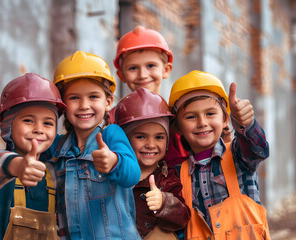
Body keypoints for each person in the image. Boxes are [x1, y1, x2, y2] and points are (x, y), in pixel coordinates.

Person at [48, 50, 142, 239]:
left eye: (93, 97)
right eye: (74, 98)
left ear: (108, 102)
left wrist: (114, 161)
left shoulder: (110, 135)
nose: (84, 105)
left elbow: (133, 173)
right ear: (63, 105)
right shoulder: (57, 147)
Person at [169, 70, 271, 239]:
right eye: (191, 117)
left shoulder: (239, 156)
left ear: (225, 119)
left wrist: (246, 123)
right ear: (178, 127)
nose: (202, 123)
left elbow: (257, 149)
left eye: (210, 114)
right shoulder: (178, 174)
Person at [0, 73, 66, 240]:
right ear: (8, 125)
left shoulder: (52, 174)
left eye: (48, 123)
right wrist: (18, 166)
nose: (39, 129)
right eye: (28, 120)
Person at [114, 88, 190, 239]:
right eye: (141, 136)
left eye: (159, 137)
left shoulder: (166, 177)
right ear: (125, 140)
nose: (151, 144)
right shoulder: (115, 170)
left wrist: (164, 202)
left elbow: (183, 218)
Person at [113, 25, 187, 167]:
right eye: (133, 68)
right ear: (121, 75)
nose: (142, 75)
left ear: (166, 70)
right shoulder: (113, 117)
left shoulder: (178, 116)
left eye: (151, 66)